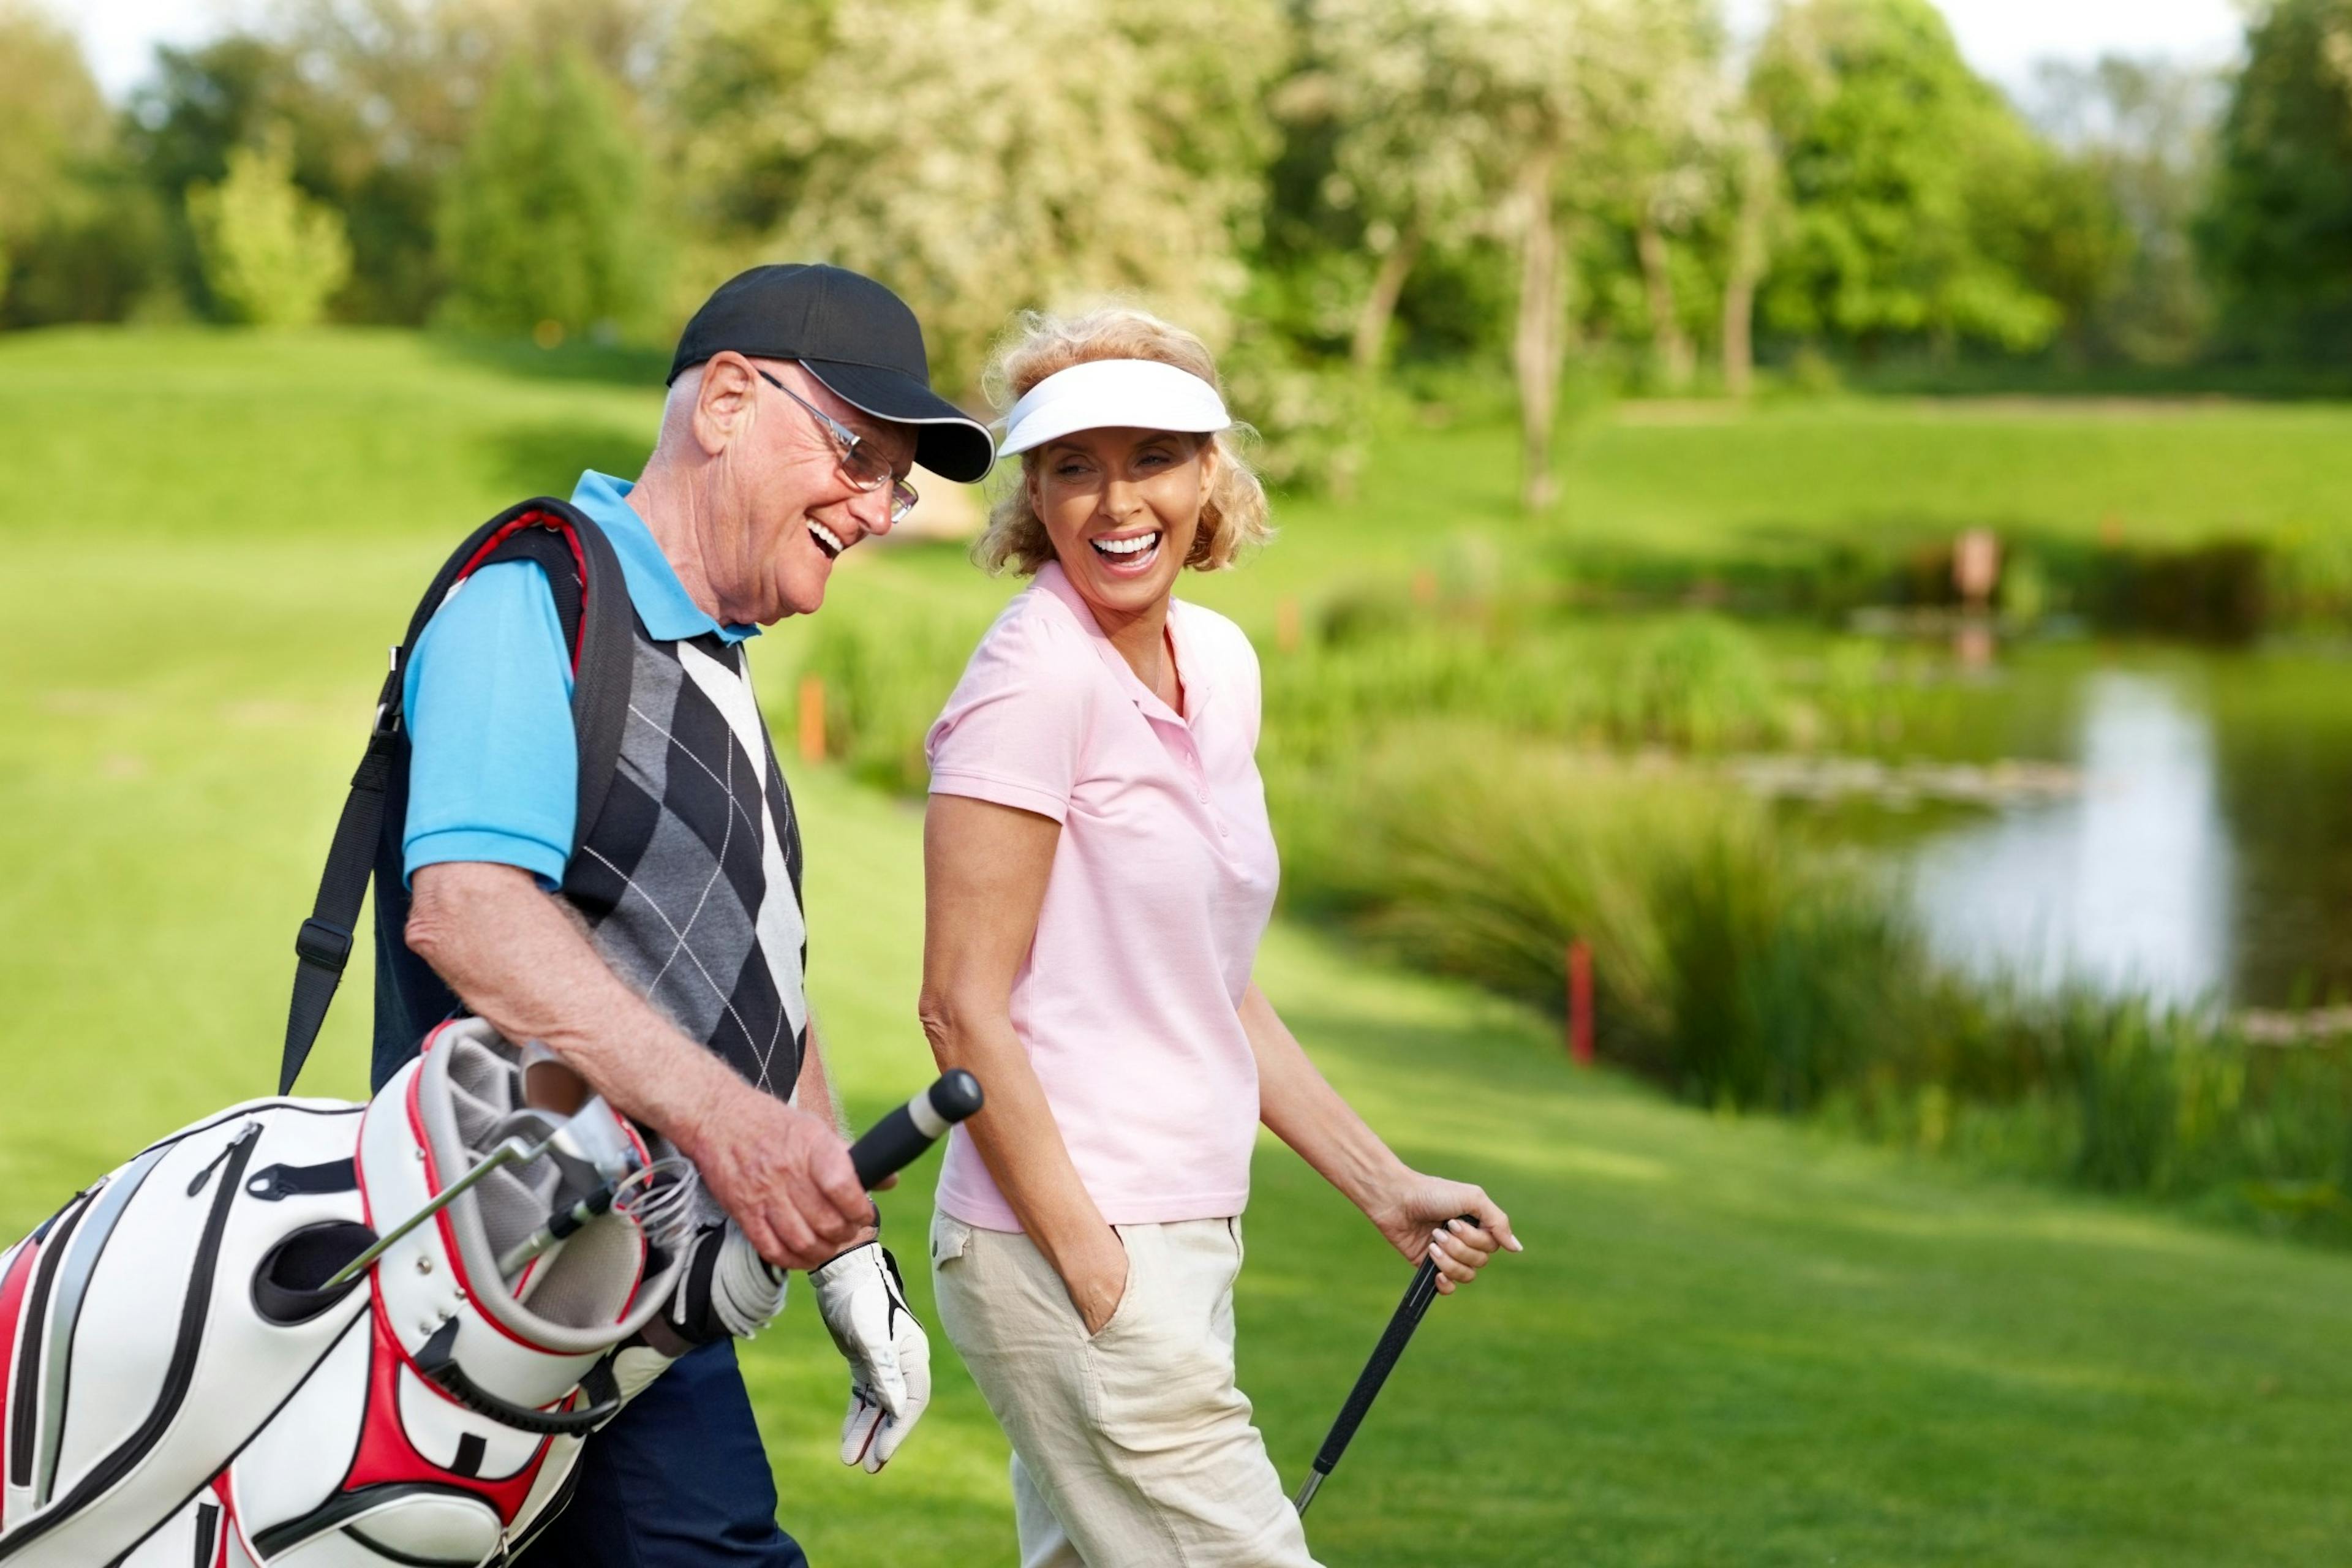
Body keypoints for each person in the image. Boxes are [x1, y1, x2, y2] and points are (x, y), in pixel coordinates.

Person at [393, 264, 995, 1564]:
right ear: (726, 401)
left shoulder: (707, 658)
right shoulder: (534, 596)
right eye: (860, 454)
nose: (883, 507)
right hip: (530, 1281)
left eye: (900, 479)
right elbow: (470, 912)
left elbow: (754, 982)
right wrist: (735, 1128)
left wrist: (844, 1252)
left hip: (633, 1306)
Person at [918, 307, 1520, 1566]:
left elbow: (1213, 981)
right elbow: (960, 1010)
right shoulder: (1034, 680)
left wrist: (1381, 1183)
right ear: (1035, 494)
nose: (1113, 499)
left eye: (1152, 457)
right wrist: (1097, 1273)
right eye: (1073, 465)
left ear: (1210, 479)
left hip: (1185, 1234)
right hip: (1070, 1241)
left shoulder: (1220, 661)